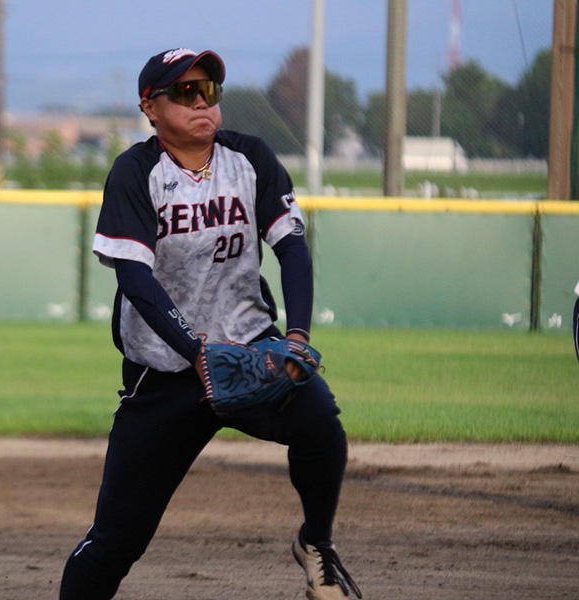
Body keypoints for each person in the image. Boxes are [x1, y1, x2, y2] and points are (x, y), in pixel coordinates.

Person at [59, 47, 362, 600]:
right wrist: (195, 350)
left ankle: (316, 543)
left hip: (249, 350)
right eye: (185, 92)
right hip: (165, 372)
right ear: (150, 108)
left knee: (320, 420)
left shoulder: (250, 159)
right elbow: (137, 280)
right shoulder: (135, 172)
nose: (202, 101)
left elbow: (292, 249)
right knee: (115, 544)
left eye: (210, 90)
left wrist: (296, 336)